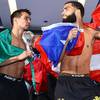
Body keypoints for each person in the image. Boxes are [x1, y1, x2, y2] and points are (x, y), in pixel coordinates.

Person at [55, 1, 100, 100]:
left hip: (85, 82)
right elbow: (56, 60)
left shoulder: (91, 32)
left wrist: (80, 20)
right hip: (65, 82)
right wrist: (67, 40)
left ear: (78, 11)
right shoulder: (60, 33)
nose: (62, 13)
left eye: (66, 9)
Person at [0, 9, 33, 100]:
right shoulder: (4, 37)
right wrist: (18, 57)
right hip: (4, 83)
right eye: (26, 18)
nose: (29, 21)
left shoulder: (25, 42)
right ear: (15, 20)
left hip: (20, 84)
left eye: (30, 19)